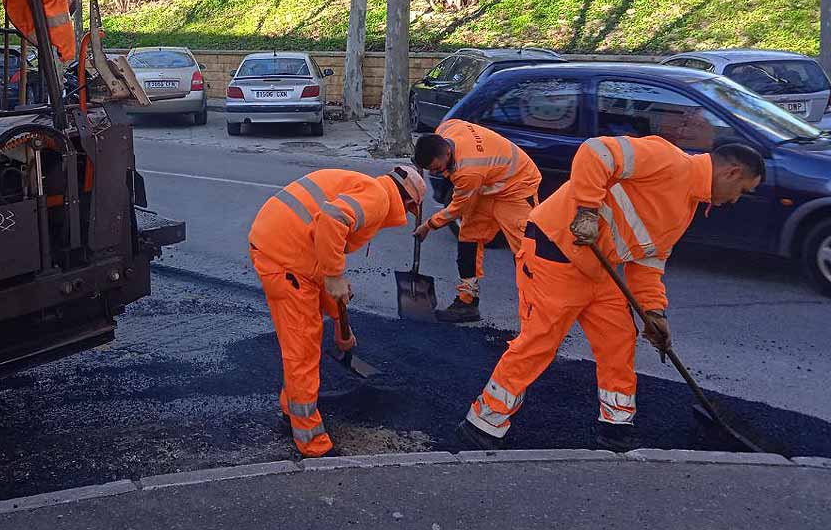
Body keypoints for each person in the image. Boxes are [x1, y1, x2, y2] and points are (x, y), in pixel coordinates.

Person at [457, 138, 765, 451]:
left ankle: (617, 426)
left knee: (618, 339)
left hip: (597, 267)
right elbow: (595, 152)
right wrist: (588, 211)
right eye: (743, 190)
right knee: (539, 341)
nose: (736, 200)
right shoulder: (668, 159)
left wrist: (654, 312)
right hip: (556, 250)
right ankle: (484, 422)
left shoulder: (686, 207)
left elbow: (647, 261)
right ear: (732, 173)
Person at [248, 166, 427, 457]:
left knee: (306, 339)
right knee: (302, 349)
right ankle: (311, 443)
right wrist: (333, 276)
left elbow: (326, 246)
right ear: (408, 203)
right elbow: (332, 219)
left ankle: (290, 409)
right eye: (410, 211)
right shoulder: (380, 199)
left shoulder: (367, 187)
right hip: (285, 258)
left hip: (291, 248)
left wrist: (341, 327)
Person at [412, 120, 542, 322]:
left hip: (517, 186)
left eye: (437, 168)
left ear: (447, 153)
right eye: (430, 170)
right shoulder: (446, 129)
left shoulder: (468, 171)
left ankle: (538, 313)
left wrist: (429, 225)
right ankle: (467, 302)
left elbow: (457, 208)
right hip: (487, 185)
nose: (436, 173)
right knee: (468, 238)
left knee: (526, 251)